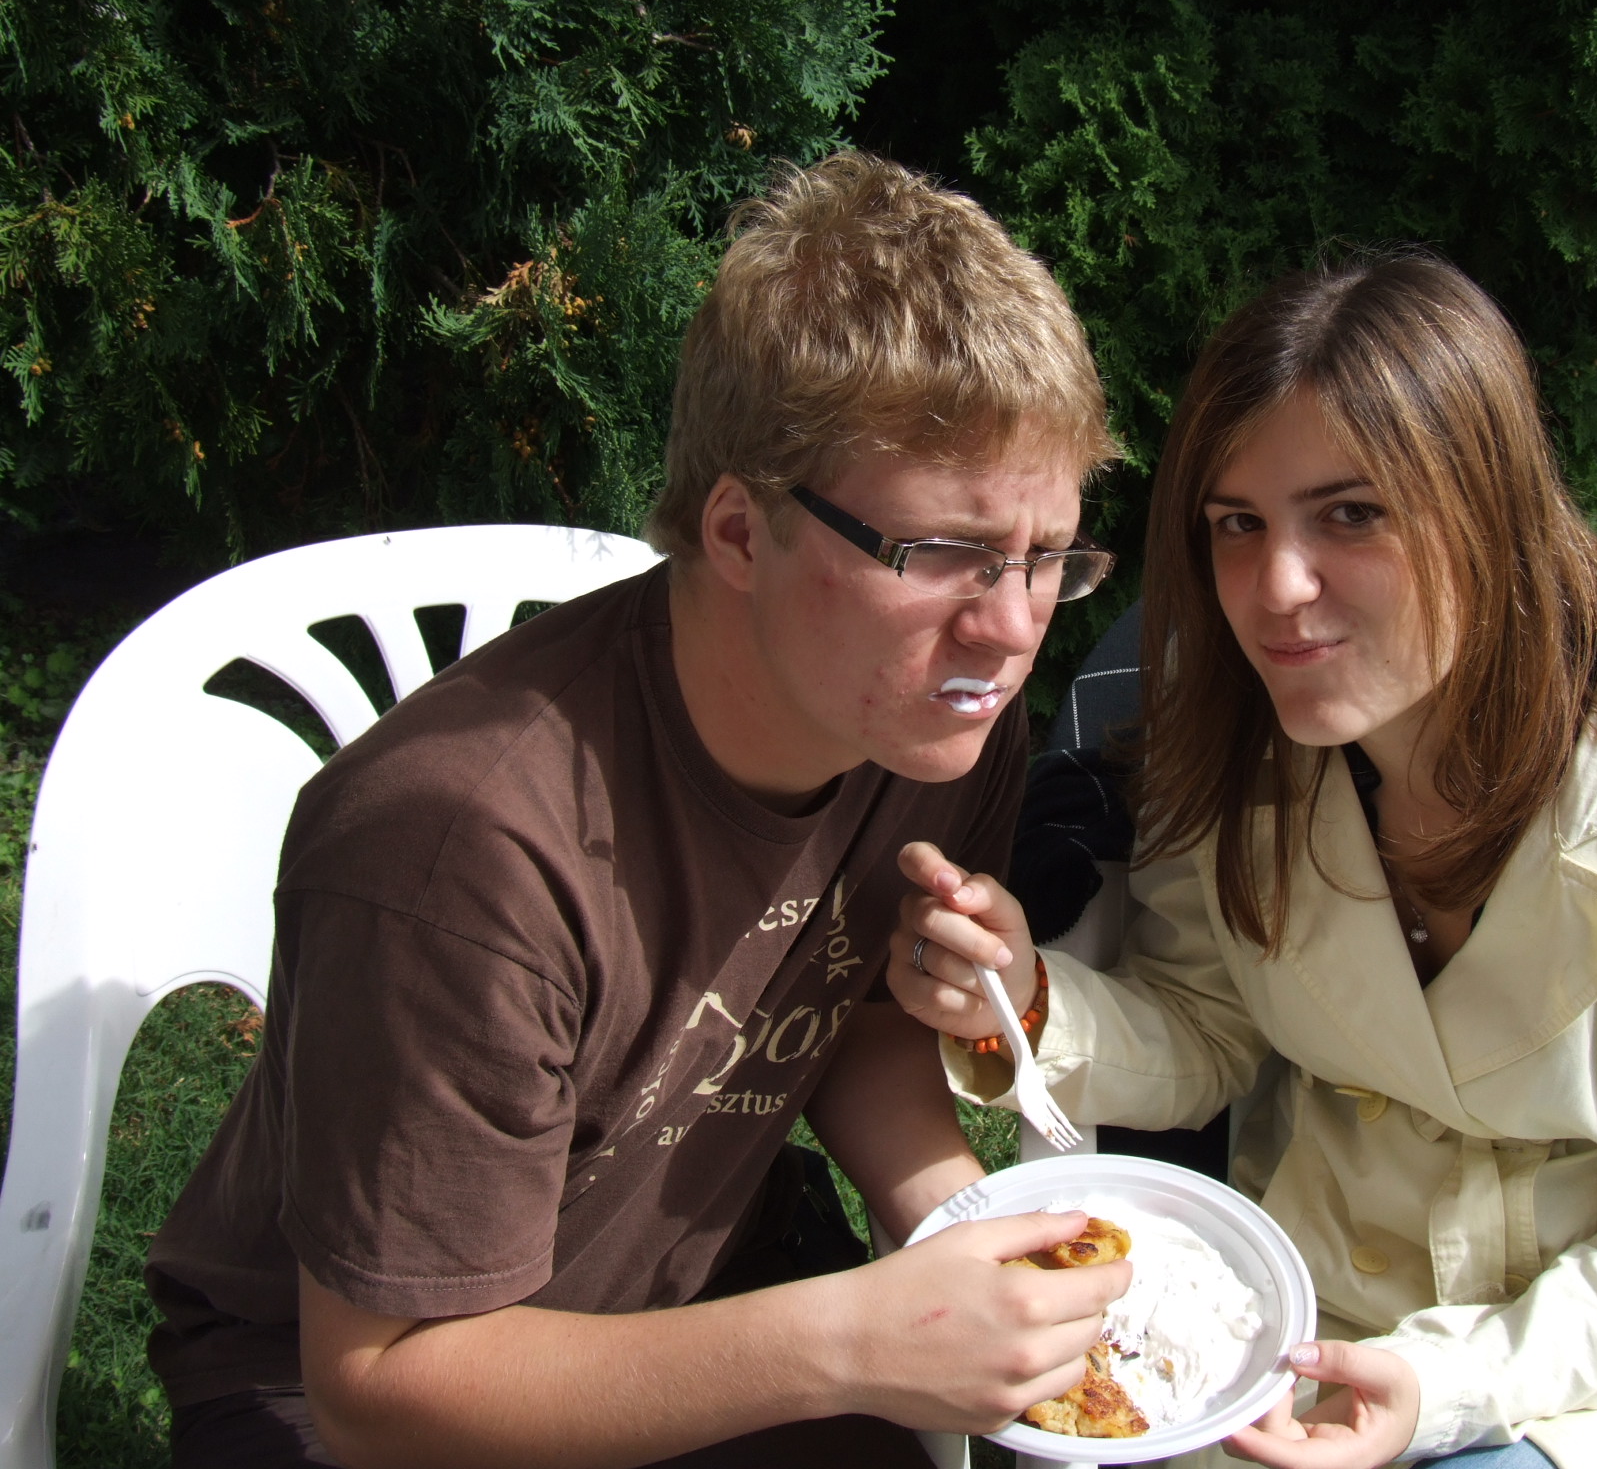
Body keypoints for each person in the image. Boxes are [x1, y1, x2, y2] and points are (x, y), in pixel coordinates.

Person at [142, 152, 1135, 1469]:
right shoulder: (458, 852)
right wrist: (846, 1341)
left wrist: (963, 1224)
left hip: (697, 1294)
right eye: (944, 553)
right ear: (739, 533)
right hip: (375, 1395)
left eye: (1045, 557)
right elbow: (381, 1393)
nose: (1009, 630)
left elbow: (851, 1013)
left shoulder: (933, 728)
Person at [891, 250, 1597, 1469]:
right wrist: (1026, 998)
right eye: (1236, 525)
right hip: (1290, 1343)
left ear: (1487, 508)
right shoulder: (1234, 748)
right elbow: (1209, 1028)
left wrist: (1442, 1387)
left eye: (1351, 514)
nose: (1275, 588)